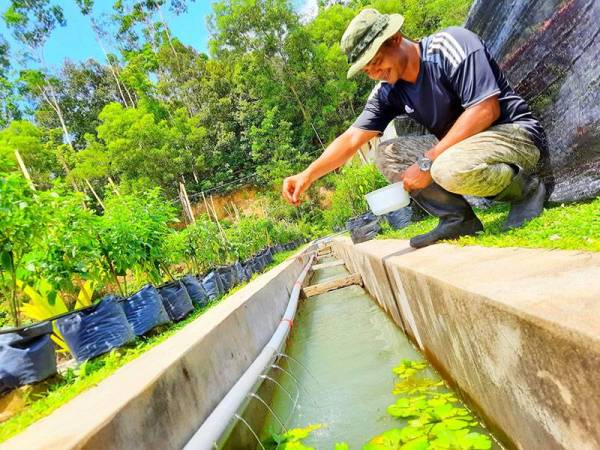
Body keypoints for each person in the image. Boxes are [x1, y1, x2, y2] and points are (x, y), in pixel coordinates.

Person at [282, 8, 548, 248]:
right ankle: (458, 219)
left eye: (375, 60)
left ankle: (527, 189)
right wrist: (308, 175)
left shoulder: (449, 45)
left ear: (395, 38)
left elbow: (485, 110)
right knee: (389, 155)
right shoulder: (388, 91)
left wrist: (427, 161)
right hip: (463, 149)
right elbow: (352, 138)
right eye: (366, 69)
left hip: (513, 134)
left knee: (444, 167)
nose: (374, 72)